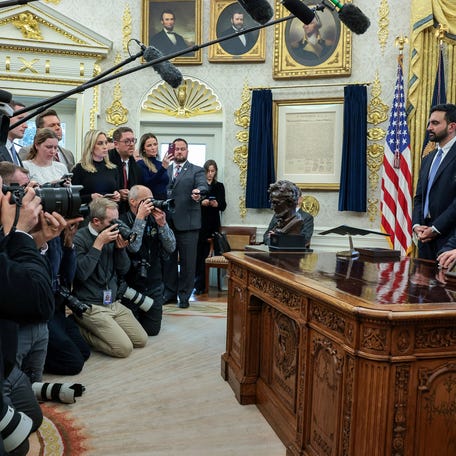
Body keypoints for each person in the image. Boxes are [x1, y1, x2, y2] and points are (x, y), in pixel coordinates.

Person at [0, 173, 55, 454]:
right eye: (4, 191)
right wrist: (19, 233)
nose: (9, 199)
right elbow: (39, 301)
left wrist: (36, 241)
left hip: (7, 363)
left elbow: (20, 277)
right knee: (18, 446)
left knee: (33, 418)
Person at [72, 197, 148, 358]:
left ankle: (103, 328)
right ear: (96, 221)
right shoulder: (79, 238)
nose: (117, 225)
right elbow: (80, 274)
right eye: (111, 221)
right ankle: (78, 328)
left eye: (117, 220)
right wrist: (98, 244)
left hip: (112, 302)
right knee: (123, 349)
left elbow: (123, 270)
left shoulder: (113, 235)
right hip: (91, 305)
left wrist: (121, 250)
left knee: (141, 340)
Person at [120, 185, 176, 335]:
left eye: (151, 200)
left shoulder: (155, 219)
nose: (150, 204)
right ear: (132, 201)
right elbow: (134, 248)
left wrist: (162, 225)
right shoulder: (122, 220)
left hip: (154, 282)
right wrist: (140, 219)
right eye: (146, 201)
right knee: (131, 331)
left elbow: (171, 247)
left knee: (152, 330)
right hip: (130, 284)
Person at [163, 138, 208, 308]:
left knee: (188, 263)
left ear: (187, 151)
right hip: (167, 223)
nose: (180, 152)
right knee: (168, 262)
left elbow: (203, 186)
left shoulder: (196, 170)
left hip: (188, 225)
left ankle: (184, 296)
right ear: (173, 151)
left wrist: (199, 193)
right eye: (177, 149)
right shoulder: (165, 170)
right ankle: (170, 293)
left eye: (183, 149)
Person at [412, 103, 456, 260]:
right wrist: (417, 225)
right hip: (425, 239)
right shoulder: (428, 158)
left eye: (435, 123)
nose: (429, 127)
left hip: (450, 241)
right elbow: (419, 197)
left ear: (451, 127)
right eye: (429, 123)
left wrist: (436, 228)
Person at [194, 160, 226, 294]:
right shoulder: (199, 186)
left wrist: (216, 204)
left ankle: (204, 285)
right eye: (208, 171)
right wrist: (202, 202)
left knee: (208, 253)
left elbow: (223, 206)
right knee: (199, 255)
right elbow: (193, 204)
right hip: (199, 223)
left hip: (212, 224)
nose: (210, 174)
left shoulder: (219, 186)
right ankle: (198, 285)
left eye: (213, 171)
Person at [71, 130, 121, 205]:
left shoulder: (113, 168)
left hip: (110, 210)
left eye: (106, 143)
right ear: (90, 146)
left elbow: (116, 190)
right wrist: (90, 197)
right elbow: (73, 198)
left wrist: (117, 195)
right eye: (100, 143)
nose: (105, 147)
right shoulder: (79, 169)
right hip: (89, 212)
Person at [263, 181, 314, 246]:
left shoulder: (306, 217)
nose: (272, 207)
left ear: (291, 202)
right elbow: (266, 236)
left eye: (276, 203)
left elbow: (304, 239)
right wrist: (273, 241)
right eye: (272, 202)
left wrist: (276, 238)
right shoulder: (277, 215)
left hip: (294, 254)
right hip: (273, 251)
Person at [109, 127, 143, 214]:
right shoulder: (107, 161)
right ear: (116, 144)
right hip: (110, 210)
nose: (131, 144)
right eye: (127, 141)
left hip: (129, 212)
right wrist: (117, 192)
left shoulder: (135, 166)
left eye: (133, 141)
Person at [137, 133, 171, 200]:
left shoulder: (161, 164)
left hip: (163, 201)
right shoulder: (140, 164)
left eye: (155, 144)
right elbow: (148, 184)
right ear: (143, 149)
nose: (153, 148)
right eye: (149, 145)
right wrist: (163, 169)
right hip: (150, 201)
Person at [0, 100, 27, 166]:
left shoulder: (13, 151)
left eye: (26, 120)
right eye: (20, 119)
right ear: (5, 119)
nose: (26, 126)